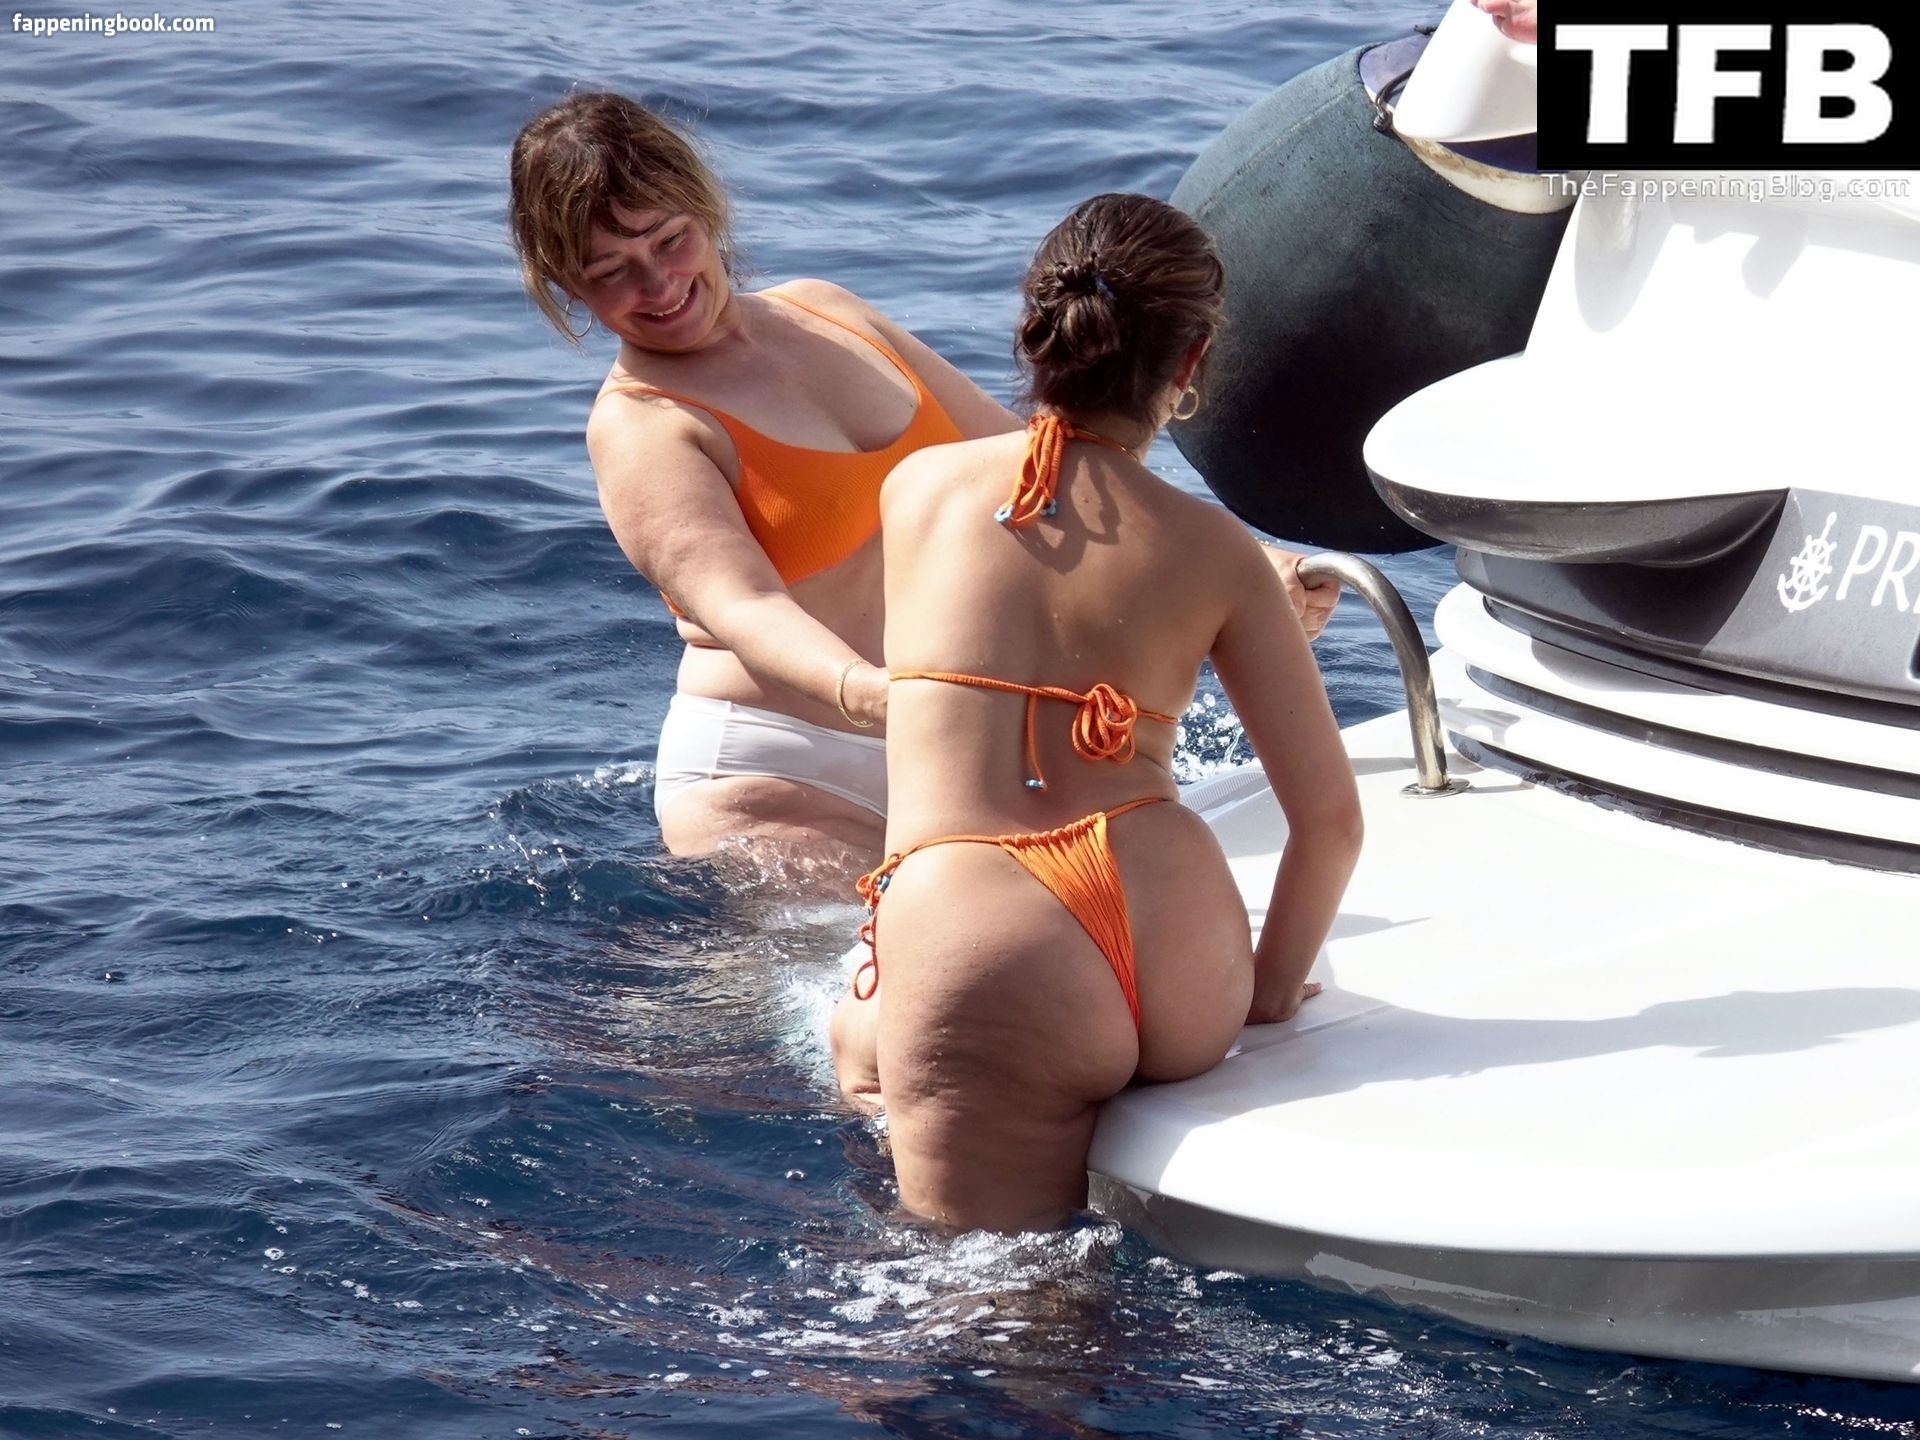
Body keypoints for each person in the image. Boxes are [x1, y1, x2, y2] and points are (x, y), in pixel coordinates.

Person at [509, 95, 1338, 871]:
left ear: (706, 210)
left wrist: (1241, 566)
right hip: (781, 774)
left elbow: (1040, 458)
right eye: (610, 271)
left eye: (668, 240)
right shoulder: (642, 424)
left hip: (950, 744)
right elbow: (743, 606)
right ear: (567, 286)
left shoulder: (827, 311)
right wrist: (872, 695)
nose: (657, 285)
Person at [829, 194, 1364, 1232]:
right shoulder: (1217, 549)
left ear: (1037, 326)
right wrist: (1267, 993)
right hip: (1171, 932)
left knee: (981, 1283)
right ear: (1191, 361)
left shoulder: (916, 490)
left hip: (985, 938)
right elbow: (1331, 821)